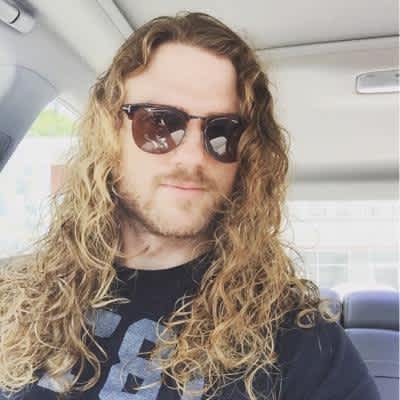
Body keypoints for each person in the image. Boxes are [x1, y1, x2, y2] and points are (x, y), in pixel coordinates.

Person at [0, 11, 380, 400]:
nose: (194, 157)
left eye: (223, 132)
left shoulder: (302, 340)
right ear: (110, 131)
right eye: (159, 123)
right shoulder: (16, 299)